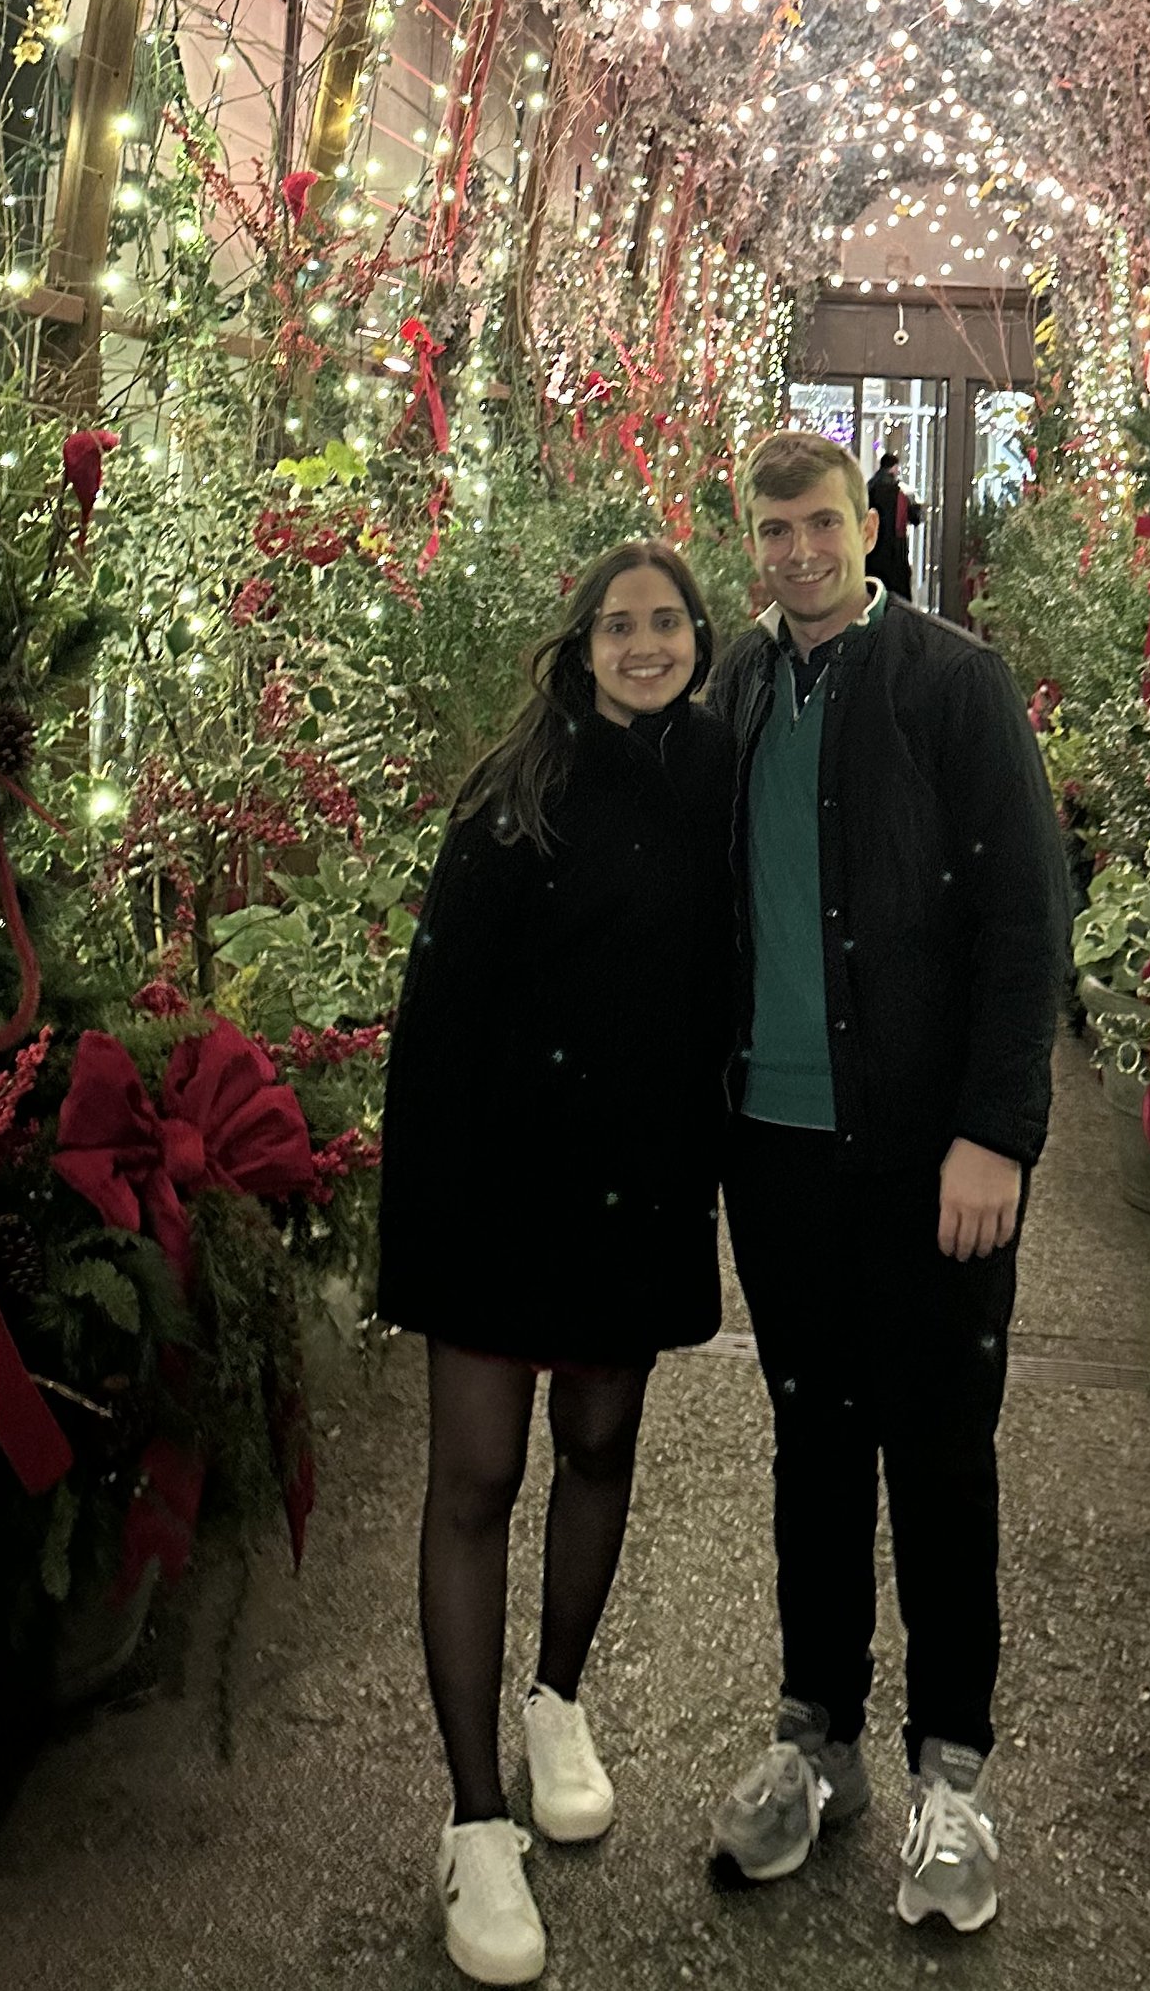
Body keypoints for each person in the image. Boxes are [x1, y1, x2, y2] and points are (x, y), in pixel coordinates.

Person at [703, 427, 1068, 1935]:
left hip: (928, 1153)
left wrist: (996, 1130)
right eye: (772, 528)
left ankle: (952, 1775)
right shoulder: (733, 686)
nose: (797, 550)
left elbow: (1026, 915)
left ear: (869, 527)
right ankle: (818, 1740)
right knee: (811, 1438)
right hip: (775, 1144)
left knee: (939, 1449)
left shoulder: (951, 684)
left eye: (820, 523)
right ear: (750, 540)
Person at [378, 541, 735, 1987]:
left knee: (598, 1445)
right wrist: (418, 1226)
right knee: (475, 1479)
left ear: (700, 637)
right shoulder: (512, 793)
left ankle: (556, 1701)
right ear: (580, 645)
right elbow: (435, 1020)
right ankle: (475, 1820)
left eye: (667, 622)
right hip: (495, 1184)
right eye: (618, 625)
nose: (645, 644)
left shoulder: (718, 776)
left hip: (635, 1183)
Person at [863, 445, 921, 603]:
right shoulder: (899, 492)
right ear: (894, 468)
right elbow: (913, 518)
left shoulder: (869, 488)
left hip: (872, 552)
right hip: (894, 552)